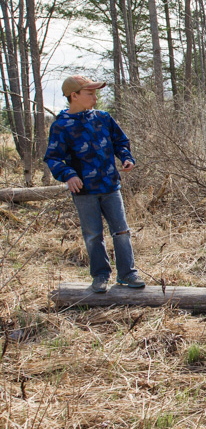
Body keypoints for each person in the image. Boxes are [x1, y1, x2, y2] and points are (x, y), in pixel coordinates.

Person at [44, 76, 146, 293]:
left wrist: (126, 157)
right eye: (90, 94)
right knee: (93, 235)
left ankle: (128, 274)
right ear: (74, 96)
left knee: (122, 232)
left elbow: (121, 141)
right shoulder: (61, 126)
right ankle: (100, 276)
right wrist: (68, 174)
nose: (95, 98)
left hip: (110, 186)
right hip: (84, 192)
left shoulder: (103, 118)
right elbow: (53, 158)